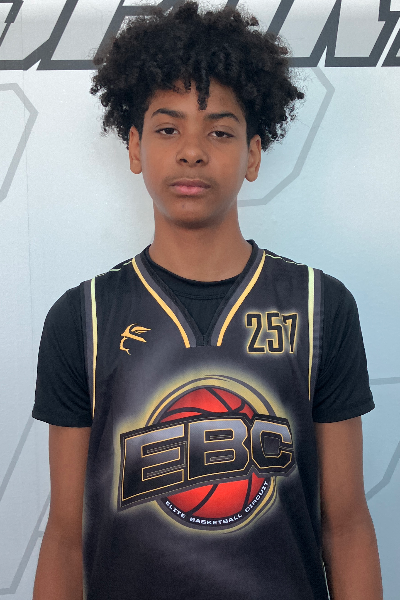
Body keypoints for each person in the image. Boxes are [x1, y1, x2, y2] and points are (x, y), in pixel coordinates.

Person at [32, 2, 382, 599]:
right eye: (168, 129)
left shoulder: (319, 307)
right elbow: (67, 536)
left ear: (253, 154)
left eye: (219, 131)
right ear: (135, 148)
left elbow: (345, 523)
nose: (192, 151)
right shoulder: (83, 317)